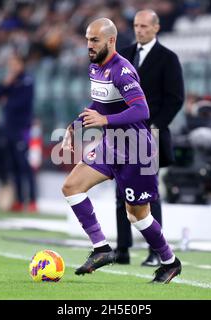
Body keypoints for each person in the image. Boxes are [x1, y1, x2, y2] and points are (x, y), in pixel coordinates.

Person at [61, 18, 181, 283]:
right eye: (87, 39)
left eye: (95, 40)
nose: (89, 45)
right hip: (111, 145)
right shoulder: (96, 68)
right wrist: (76, 125)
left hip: (137, 150)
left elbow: (142, 110)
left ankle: (170, 261)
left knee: (137, 216)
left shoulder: (122, 70)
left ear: (111, 40)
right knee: (71, 187)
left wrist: (104, 121)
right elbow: (99, 103)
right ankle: (101, 249)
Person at [115, 9, 184, 266]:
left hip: (150, 136)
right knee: (121, 192)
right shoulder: (124, 54)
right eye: (136, 25)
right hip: (122, 134)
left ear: (156, 28)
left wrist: (155, 126)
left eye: (144, 26)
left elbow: (175, 98)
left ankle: (156, 251)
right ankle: (122, 249)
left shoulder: (168, 58)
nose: (139, 30)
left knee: (149, 194)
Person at [0, 53, 37, 213]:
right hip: (9, 129)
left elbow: (21, 103)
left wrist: (8, 99)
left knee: (24, 165)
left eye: (15, 63)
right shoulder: (9, 82)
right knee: (13, 166)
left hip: (22, 129)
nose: (12, 67)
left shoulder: (27, 81)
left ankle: (32, 200)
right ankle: (19, 200)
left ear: (21, 64)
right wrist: (5, 86)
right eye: (10, 64)